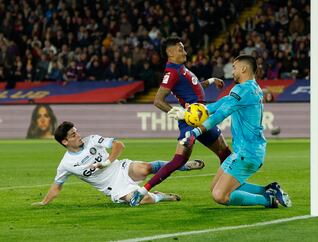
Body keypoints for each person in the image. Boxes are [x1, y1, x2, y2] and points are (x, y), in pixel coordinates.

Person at [130, 36, 232, 206]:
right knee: (180, 160)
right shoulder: (171, 73)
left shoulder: (181, 69)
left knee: (225, 154)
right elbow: (158, 100)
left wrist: (212, 81)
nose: (185, 52)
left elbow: (195, 87)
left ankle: (227, 188)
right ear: (170, 52)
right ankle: (143, 190)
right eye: (180, 49)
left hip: (201, 118)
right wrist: (181, 114)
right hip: (192, 120)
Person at [181, 55, 291, 208]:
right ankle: (268, 190)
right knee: (215, 187)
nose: (232, 71)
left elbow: (221, 114)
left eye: (234, 67)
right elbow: (223, 103)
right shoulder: (252, 88)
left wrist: (195, 132)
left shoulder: (242, 90)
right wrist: (198, 110)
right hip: (244, 151)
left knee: (220, 195)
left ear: (244, 68)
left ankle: (268, 200)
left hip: (247, 153)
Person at [32, 121, 204, 207]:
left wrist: (107, 162)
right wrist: (44, 202)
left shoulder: (92, 140)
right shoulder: (66, 164)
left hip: (121, 168)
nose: (78, 136)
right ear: (64, 142)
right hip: (113, 187)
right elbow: (57, 186)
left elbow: (119, 145)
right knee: (138, 200)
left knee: (146, 168)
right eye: (73, 135)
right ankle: (161, 196)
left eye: (76, 132)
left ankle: (182, 164)